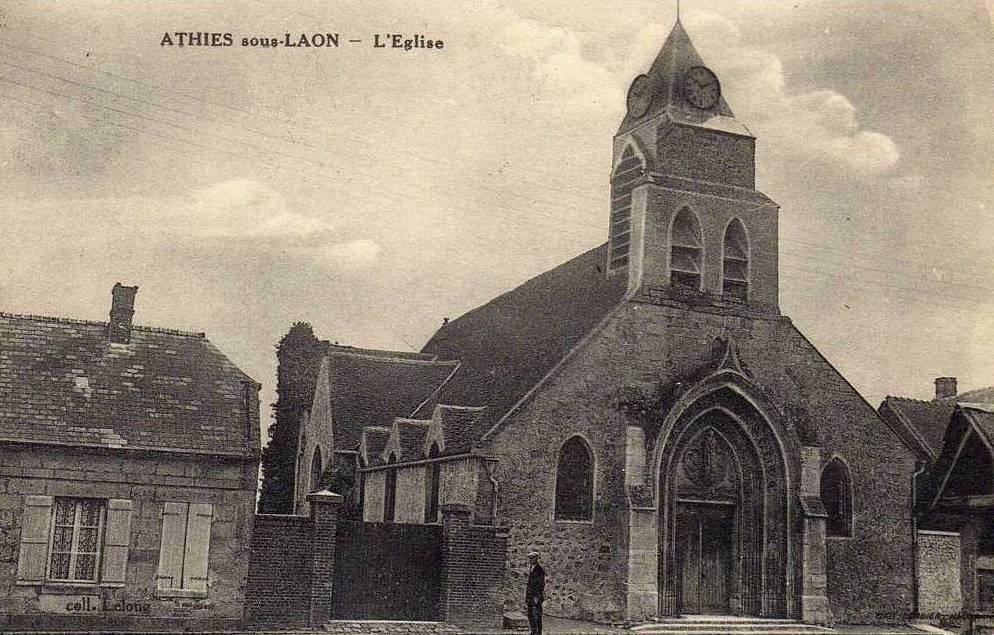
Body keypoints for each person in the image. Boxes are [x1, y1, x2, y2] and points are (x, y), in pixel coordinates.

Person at [526, 551, 545, 635]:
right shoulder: (532, 568)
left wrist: (536, 597)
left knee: (536, 616)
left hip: (535, 597)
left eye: (532, 558)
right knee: (531, 615)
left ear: (536, 558)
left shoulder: (539, 570)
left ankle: (537, 633)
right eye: (530, 558)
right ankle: (534, 632)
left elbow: (541, 585)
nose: (531, 560)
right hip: (530, 597)